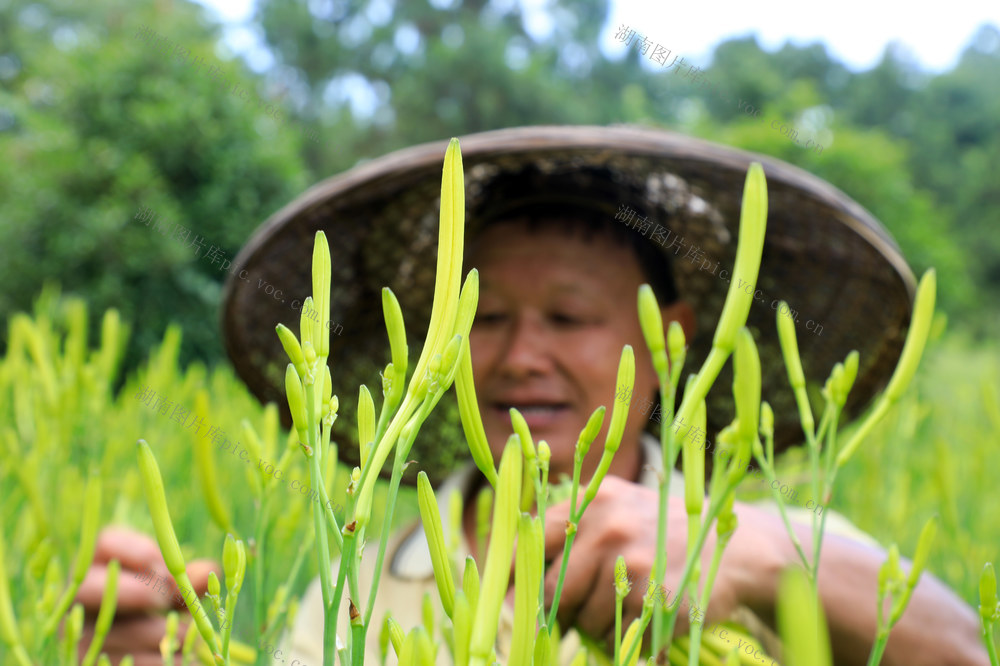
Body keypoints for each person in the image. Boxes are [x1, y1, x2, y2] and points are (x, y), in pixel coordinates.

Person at [79, 126, 988, 665]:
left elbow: (962, 651)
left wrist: (750, 560)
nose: (520, 356)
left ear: (668, 338)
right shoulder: (350, 571)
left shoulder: (776, 549)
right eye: (483, 317)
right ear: (432, 345)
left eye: (567, 315)